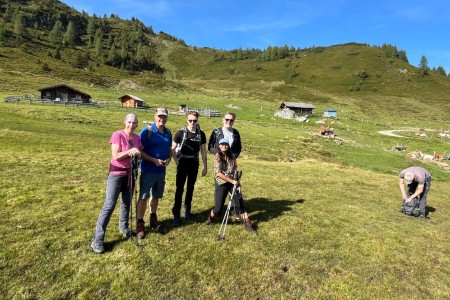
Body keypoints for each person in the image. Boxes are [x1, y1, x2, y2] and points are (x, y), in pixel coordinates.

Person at [91, 114, 142, 254]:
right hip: (116, 175)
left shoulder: (137, 138)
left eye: (134, 123)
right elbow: (116, 155)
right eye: (129, 122)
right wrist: (131, 151)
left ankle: (123, 227)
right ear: (125, 122)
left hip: (131, 174)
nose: (131, 125)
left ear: (137, 124)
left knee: (126, 202)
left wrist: (138, 154)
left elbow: (140, 153)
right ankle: (98, 240)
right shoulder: (117, 135)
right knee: (109, 205)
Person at [205, 138, 256, 233]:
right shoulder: (217, 157)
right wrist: (232, 181)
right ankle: (211, 217)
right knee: (218, 208)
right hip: (221, 183)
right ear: (219, 146)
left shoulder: (232, 157)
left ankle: (248, 223)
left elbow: (235, 171)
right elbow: (218, 174)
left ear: (228, 146)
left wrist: (237, 183)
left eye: (226, 144)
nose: (224, 146)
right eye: (222, 144)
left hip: (232, 182)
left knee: (240, 202)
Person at [136, 108, 172, 238]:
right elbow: (140, 152)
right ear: (155, 116)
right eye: (160, 116)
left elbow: (169, 149)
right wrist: (154, 160)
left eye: (164, 117)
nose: (162, 119)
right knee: (144, 196)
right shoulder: (147, 132)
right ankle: (140, 223)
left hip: (161, 170)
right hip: (148, 170)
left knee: (156, 195)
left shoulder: (168, 132)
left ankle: (153, 218)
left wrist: (168, 158)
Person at [171, 111, 207, 226]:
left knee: (190, 188)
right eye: (190, 120)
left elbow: (203, 151)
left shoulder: (201, 134)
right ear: (187, 120)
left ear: (197, 120)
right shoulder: (180, 133)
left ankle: (187, 211)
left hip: (194, 164)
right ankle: (176, 213)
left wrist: (205, 166)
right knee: (179, 188)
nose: (192, 122)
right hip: (182, 163)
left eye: (194, 120)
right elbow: (172, 149)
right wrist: (177, 162)